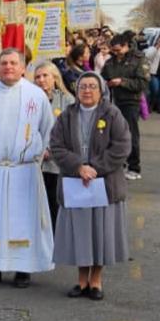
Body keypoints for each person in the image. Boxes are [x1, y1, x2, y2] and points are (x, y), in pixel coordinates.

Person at [0, 48, 56, 288]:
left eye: (13, 63)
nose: (8, 67)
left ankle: (23, 269)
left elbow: (48, 128)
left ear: (22, 67)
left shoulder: (35, 95)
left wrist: (38, 153)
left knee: (23, 219)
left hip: (23, 169)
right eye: (4, 63)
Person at [49, 72, 132, 300]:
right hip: (76, 183)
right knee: (81, 233)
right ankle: (81, 279)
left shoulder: (112, 114)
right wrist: (78, 167)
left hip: (103, 184)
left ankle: (96, 280)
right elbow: (56, 146)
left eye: (92, 86)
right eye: (83, 86)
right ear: (76, 91)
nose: (87, 91)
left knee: (100, 233)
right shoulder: (67, 115)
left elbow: (122, 146)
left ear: (101, 90)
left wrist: (94, 167)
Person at [33, 61, 75, 230]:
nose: (41, 80)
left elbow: (70, 131)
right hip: (35, 161)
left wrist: (51, 149)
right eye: (37, 77)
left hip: (56, 162)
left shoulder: (67, 100)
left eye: (45, 76)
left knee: (54, 201)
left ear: (55, 78)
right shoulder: (31, 99)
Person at [100, 34, 149, 180]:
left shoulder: (138, 60)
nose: (116, 53)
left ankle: (134, 166)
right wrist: (107, 83)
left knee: (131, 134)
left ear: (126, 46)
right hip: (114, 101)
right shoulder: (110, 62)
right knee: (113, 134)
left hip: (131, 102)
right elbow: (103, 78)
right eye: (113, 51)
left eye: (118, 50)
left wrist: (122, 82)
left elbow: (142, 83)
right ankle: (118, 164)